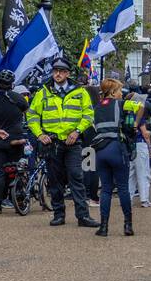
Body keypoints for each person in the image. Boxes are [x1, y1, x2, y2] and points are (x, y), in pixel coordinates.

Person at [27, 58, 99, 228]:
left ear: (67, 73)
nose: (57, 74)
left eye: (61, 71)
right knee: (55, 181)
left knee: (77, 178)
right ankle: (59, 215)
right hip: (51, 142)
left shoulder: (80, 92)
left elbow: (88, 115)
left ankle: (83, 216)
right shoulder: (43, 92)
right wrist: (39, 134)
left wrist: (77, 131)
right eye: (55, 71)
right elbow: (32, 116)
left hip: (72, 142)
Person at [91, 77, 136, 236]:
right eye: (119, 91)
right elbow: (131, 125)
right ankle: (127, 226)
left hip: (100, 150)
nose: (121, 94)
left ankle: (103, 227)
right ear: (112, 92)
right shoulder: (122, 105)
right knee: (123, 188)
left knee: (105, 190)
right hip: (117, 148)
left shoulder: (96, 108)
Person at [0, 69, 29, 213]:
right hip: (16, 138)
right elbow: (28, 115)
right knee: (19, 168)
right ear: (12, 84)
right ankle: (19, 199)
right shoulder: (19, 99)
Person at [129, 86, 151, 208]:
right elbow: (145, 134)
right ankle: (144, 199)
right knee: (143, 172)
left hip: (129, 145)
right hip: (140, 144)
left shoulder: (126, 114)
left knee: (130, 174)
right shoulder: (139, 116)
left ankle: (128, 197)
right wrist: (150, 147)